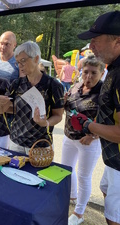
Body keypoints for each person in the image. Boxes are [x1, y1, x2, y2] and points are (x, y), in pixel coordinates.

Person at [74, 10, 120, 225]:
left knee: (114, 216)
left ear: (117, 41)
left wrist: (89, 126)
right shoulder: (114, 70)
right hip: (113, 161)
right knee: (105, 191)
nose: (90, 46)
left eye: (95, 40)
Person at [0, 41, 64, 154]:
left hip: (40, 144)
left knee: (39, 172)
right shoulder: (16, 84)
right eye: (18, 63)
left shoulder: (53, 85)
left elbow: (58, 116)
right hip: (16, 142)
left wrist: (46, 123)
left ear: (36, 59)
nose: (20, 66)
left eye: (23, 61)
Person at [61, 54, 105, 225]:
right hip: (68, 136)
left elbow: (110, 119)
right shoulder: (76, 86)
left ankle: (79, 214)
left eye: (93, 73)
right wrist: (65, 101)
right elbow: (69, 109)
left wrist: (95, 135)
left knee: (83, 176)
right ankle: (72, 196)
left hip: (88, 141)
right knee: (66, 169)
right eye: (86, 72)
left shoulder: (103, 93)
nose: (88, 76)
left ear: (101, 73)